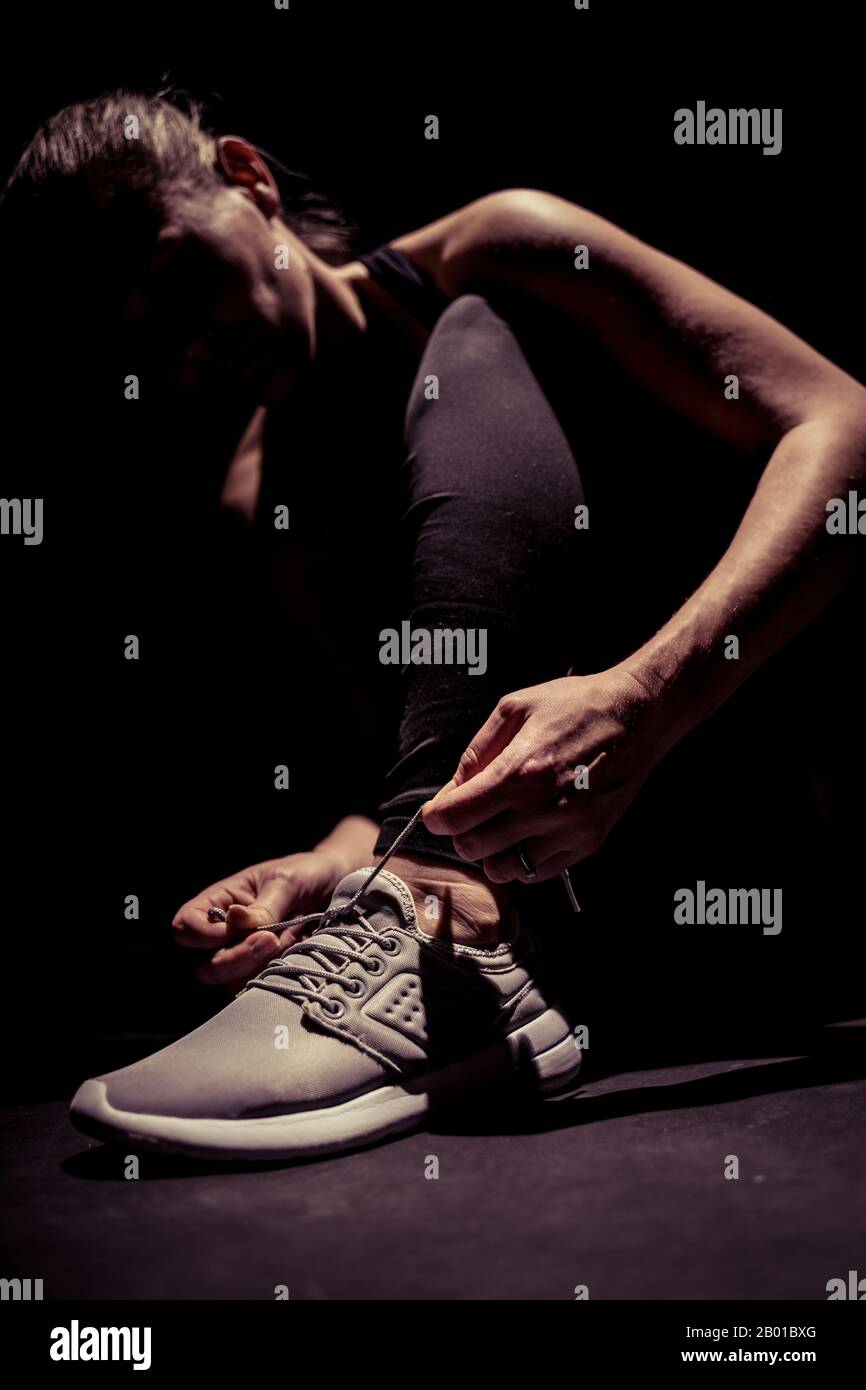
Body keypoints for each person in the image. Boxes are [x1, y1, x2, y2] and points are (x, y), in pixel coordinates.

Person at [6, 92, 863, 1156]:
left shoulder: (503, 242)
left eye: (180, 274)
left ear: (248, 179)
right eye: (141, 338)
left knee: (475, 321)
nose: (190, 347)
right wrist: (327, 867)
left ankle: (443, 918)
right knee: (409, 856)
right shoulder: (263, 501)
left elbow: (845, 425)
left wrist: (643, 698)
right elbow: (413, 774)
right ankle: (430, 931)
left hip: (793, 822)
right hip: (624, 927)